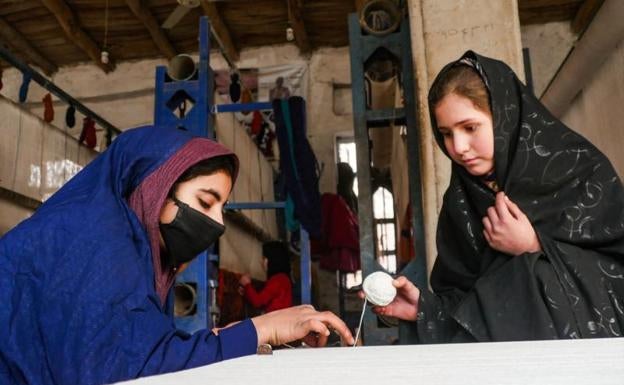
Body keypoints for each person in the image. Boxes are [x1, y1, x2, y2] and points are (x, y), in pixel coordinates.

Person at [0, 126, 354, 385]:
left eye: (222, 208)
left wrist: (230, 335)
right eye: (205, 202)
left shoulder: (121, 241)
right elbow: (121, 371)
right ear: (156, 188)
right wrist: (262, 328)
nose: (217, 222)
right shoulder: (97, 243)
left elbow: (131, 344)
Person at [370, 50, 624, 342]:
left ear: (505, 116)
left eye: (469, 127)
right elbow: (467, 306)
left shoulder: (579, 171)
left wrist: (533, 246)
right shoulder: (461, 203)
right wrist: (424, 310)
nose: (459, 147)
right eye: (447, 134)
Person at [239, 241, 293, 313]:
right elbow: (265, 300)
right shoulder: (283, 279)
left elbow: (258, 302)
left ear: (272, 260)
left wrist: (247, 284)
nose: (261, 262)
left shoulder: (278, 280)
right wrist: (247, 291)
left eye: (264, 258)